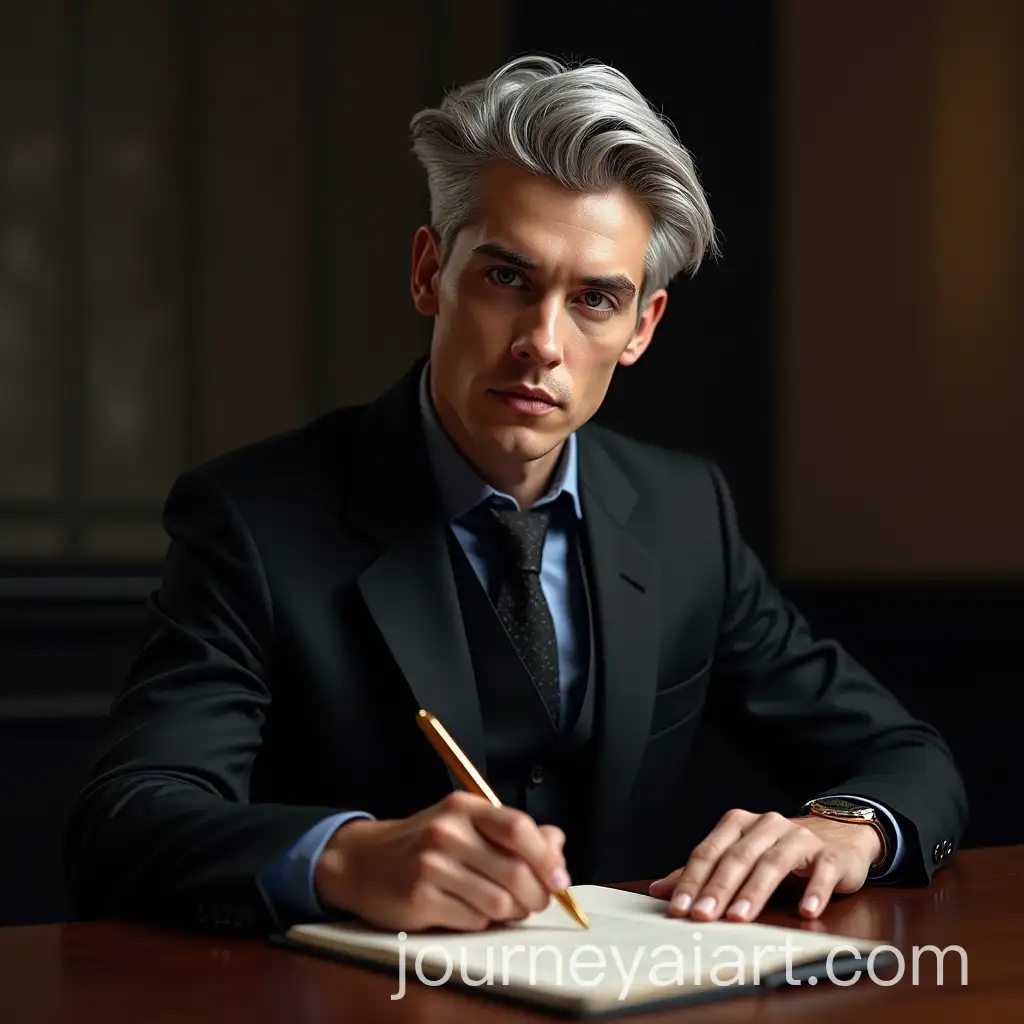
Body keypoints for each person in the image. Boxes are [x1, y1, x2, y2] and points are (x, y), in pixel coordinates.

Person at [64, 55, 966, 937]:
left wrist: (845, 825)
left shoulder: (686, 512)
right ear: (429, 272)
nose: (542, 342)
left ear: (642, 326)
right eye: (507, 279)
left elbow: (906, 756)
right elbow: (127, 820)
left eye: (595, 301)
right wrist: (345, 856)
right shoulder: (252, 518)